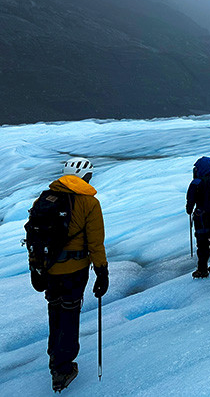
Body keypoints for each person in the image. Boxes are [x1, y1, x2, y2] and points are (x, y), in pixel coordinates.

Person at [26, 157, 108, 393]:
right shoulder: (89, 203)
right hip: (75, 269)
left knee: (55, 311)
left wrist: (36, 267)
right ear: (84, 177)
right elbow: (96, 243)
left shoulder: (44, 198)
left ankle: (55, 357)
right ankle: (62, 368)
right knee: (71, 314)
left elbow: (34, 238)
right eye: (89, 175)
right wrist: (101, 272)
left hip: (50, 269)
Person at [186, 157, 210, 278]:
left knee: (202, 242)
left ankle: (202, 269)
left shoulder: (196, 182)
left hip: (202, 218)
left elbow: (190, 201)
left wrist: (189, 210)